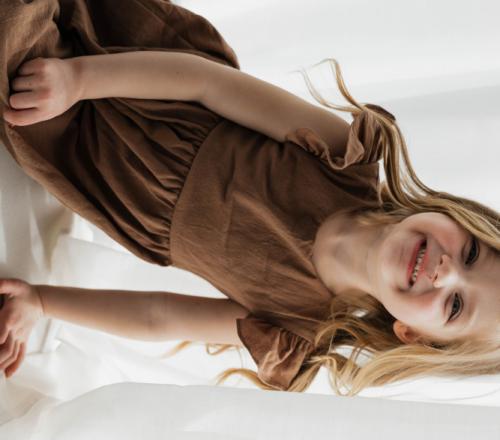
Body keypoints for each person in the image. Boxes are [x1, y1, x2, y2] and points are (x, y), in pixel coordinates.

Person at [0, 0, 499, 395]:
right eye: (472, 253)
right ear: (462, 216)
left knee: (12, 69)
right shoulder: (342, 159)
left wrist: (41, 301)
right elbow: (207, 84)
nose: (446, 271)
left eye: (455, 305)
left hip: (102, 174)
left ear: (413, 335)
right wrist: (79, 80)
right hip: (132, 79)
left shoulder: (299, 327)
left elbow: (160, 315)